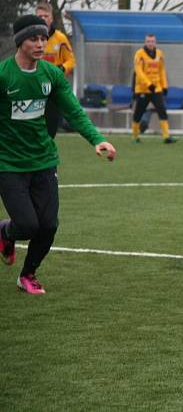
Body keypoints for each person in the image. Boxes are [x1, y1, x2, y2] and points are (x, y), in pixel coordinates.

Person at [0, 15, 116, 294]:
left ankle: (28, 275)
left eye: (43, 38)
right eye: (34, 39)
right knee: (27, 225)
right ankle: (6, 232)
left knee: (49, 225)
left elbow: (73, 111)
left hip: (44, 160)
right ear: (20, 42)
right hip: (9, 163)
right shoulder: (4, 75)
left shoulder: (51, 75)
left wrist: (97, 139)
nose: (41, 44)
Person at [35, 3, 75, 139]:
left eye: (45, 16)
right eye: (39, 16)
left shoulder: (60, 38)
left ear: (51, 19)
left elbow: (71, 61)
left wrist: (61, 69)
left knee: (51, 127)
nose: (42, 18)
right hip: (34, 86)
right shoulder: (31, 38)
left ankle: (47, 153)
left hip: (53, 88)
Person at [132, 34, 176, 144]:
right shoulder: (139, 54)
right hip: (143, 89)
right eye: (148, 41)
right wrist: (148, 84)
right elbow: (139, 72)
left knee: (162, 111)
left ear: (155, 42)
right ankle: (135, 137)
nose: (150, 43)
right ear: (145, 42)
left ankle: (166, 137)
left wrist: (164, 86)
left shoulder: (159, 54)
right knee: (138, 113)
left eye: (152, 41)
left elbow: (161, 71)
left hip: (156, 89)